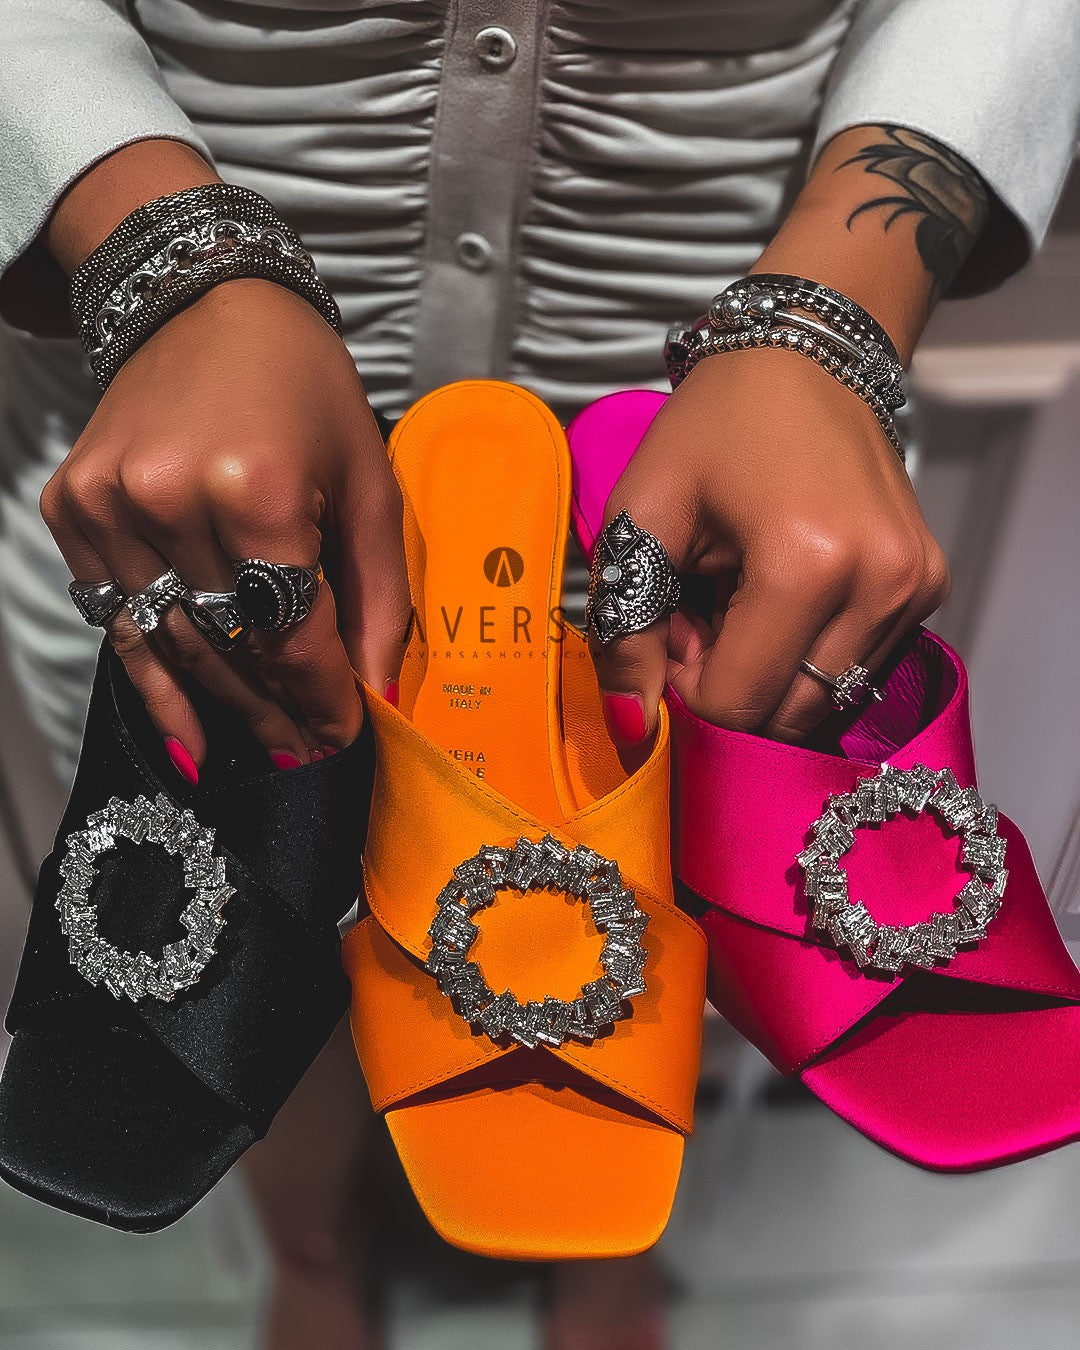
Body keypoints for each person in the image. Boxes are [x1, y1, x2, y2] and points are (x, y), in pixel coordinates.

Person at [1, 3, 1078, 1348]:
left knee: (689, 888)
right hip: (197, 472)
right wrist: (155, 250)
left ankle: (603, 1257)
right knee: (276, 914)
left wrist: (834, 312)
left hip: (729, 446)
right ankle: (317, 1246)